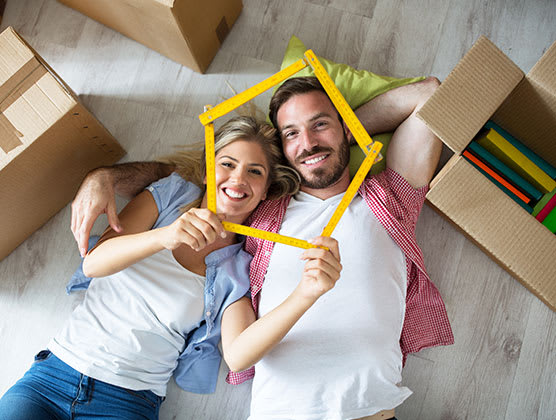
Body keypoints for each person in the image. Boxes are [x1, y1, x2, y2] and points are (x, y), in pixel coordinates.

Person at [69, 77, 454, 420]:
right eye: (291, 134)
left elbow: (429, 95)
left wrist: (335, 133)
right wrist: (103, 176)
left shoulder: (389, 198)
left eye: (320, 123)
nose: (307, 142)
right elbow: (199, 179)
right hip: (280, 409)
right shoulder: (261, 213)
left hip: (369, 409)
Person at [0, 116, 342, 420]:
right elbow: (94, 263)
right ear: (208, 171)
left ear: (266, 190)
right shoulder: (171, 195)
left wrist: (305, 294)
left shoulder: (237, 266)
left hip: (127, 399)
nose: (238, 179)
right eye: (227, 163)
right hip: (52, 376)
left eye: (255, 171)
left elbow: (238, 356)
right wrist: (166, 235)